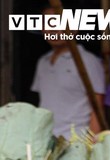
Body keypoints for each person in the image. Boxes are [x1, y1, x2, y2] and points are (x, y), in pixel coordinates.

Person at [31, 6, 105, 139]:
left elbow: (97, 107)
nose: (54, 29)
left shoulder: (88, 61)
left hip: (76, 142)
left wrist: (92, 145)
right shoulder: (42, 62)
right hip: (46, 140)